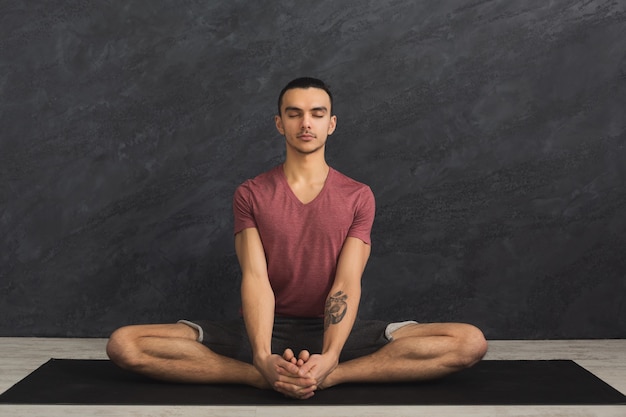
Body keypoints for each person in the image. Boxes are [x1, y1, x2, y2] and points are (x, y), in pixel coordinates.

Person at [106, 77, 488, 400]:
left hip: (336, 330)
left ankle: (328, 378)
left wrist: (332, 359)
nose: (306, 123)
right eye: (295, 114)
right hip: (264, 327)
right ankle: (261, 379)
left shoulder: (358, 196)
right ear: (279, 123)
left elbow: (346, 282)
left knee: (469, 342)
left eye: (317, 114)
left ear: (332, 124)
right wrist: (260, 358)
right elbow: (255, 279)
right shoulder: (251, 193)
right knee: (124, 344)